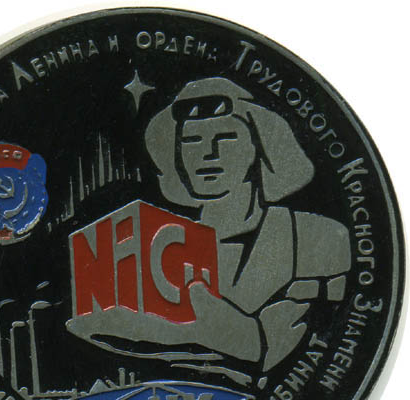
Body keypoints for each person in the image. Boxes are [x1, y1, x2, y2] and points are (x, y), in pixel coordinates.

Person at [143, 77, 351, 378]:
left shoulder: (320, 239)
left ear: (259, 146)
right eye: (191, 141)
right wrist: (251, 340)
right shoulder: (162, 250)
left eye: (226, 137)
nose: (207, 153)